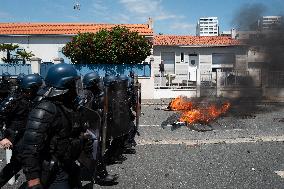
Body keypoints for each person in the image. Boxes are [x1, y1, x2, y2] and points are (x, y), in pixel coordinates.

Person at [21, 63, 93, 189]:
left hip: (68, 164)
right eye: (73, 84)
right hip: (53, 171)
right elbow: (29, 147)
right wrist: (33, 179)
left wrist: (83, 139)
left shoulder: (68, 105)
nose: (76, 88)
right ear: (65, 85)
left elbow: (68, 133)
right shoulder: (45, 109)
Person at [0, 74, 43, 187]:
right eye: (37, 88)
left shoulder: (34, 99)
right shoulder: (13, 100)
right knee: (22, 164)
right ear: (30, 89)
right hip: (18, 139)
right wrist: (2, 138)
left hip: (30, 137)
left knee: (20, 164)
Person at [82, 72, 118, 185]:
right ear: (93, 83)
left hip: (95, 127)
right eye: (97, 82)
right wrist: (99, 112)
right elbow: (86, 112)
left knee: (96, 151)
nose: (99, 84)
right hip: (89, 128)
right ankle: (100, 175)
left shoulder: (97, 93)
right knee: (95, 151)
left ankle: (98, 172)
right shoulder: (87, 94)